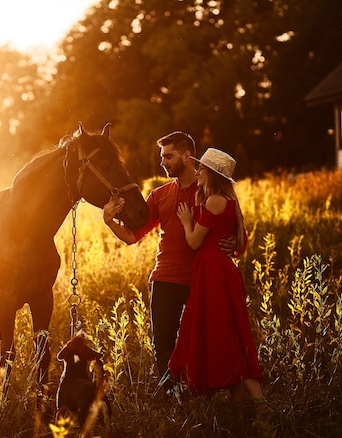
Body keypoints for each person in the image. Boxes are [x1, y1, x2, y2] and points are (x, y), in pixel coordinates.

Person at [102, 132, 236, 395]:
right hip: (165, 278)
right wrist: (109, 221)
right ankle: (170, 397)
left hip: (201, 279)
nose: (163, 162)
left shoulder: (209, 192)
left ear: (187, 156)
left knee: (205, 342)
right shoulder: (159, 195)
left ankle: (203, 397)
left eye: (168, 156)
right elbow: (133, 236)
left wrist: (236, 246)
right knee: (163, 344)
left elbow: (231, 228)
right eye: (162, 156)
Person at [168, 148, 268, 418]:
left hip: (213, 273)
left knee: (228, 338)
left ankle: (260, 407)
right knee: (228, 334)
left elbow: (194, 242)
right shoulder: (222, 200)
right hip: (217, 271)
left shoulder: (215, 201)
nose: (197, 172)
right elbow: (237, 239)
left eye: (201, 169)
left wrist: (187, 222)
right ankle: (239, 410)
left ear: (211, 173)